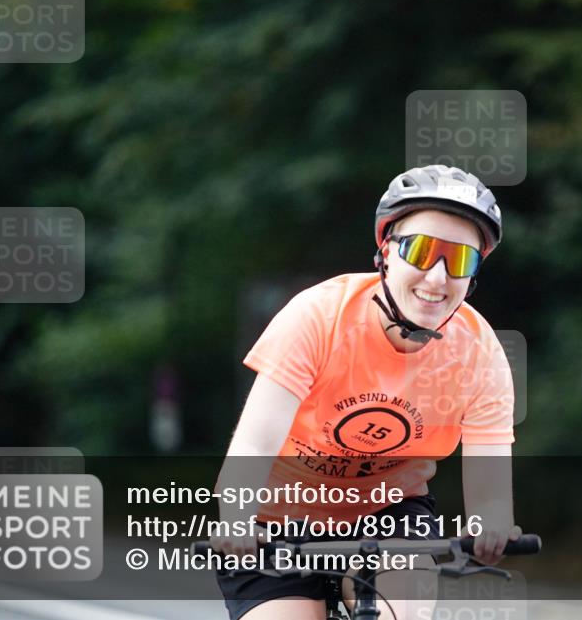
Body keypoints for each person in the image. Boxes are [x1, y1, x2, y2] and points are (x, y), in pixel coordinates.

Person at [213, 165, 521, 620]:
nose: (436, 278)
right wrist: (236, 517)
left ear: (474, 273)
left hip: (389, 515)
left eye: (458, 261)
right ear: (386, 251)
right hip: (275, 519)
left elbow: (491, 492)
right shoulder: (318, 317)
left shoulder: (480, 353)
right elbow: (255, 443)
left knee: (406, 610)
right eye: (420, 251)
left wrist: (492, 523)